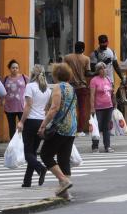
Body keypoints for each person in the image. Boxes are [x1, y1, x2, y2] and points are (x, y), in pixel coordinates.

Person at [38, 63, 77, 200]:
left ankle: (64, 180)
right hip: (72, 127)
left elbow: (54, 108)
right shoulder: (71, 88)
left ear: (55, 75)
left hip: (60, 127)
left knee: (45, 154)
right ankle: (65, 192)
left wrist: (43, 125)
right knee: (63, 158)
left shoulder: (58, 87)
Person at [16, 65, 51, 188]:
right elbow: (47, 108)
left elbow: (28, 106)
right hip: (42, 122)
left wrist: (21, 121)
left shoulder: (30, 86)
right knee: (32, 152)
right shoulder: (47, 89)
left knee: (27, 153)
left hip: (31, 121)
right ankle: (27, 181)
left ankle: (40, 168)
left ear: (32, 74)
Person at [64, 41, 94, 137]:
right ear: (83, 49)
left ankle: (69, 129)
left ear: (74, 48)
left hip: (70, 87)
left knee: (69, 108)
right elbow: (88, 73)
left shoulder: (67, 58)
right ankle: (80, 130)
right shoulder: (86, 59)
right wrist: (96, 73)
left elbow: (64, 70)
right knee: (82, 110)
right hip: (82, 87)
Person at [90, 62, 115, 153]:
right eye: (102, 68)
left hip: (109, 106)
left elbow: (111, 92)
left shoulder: (108, 79)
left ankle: (107, 146)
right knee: (97, 127)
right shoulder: (94, 80)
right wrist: (92, 107)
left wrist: (114, 102)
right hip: (98, 107)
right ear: (98, 70)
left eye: (105, 68)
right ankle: (95, 146)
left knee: (107, 127)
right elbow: (92, 95)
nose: (104, 70)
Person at [3, 59, 29, 139]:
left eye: (17, 68)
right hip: (9, 107)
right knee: (11, 128)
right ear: (9, 69)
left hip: (21, 107)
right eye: (13, 67)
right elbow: (3, 91)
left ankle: (23, 144)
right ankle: (12, 145)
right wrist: (1, 101)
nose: (15, 69)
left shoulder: (24, 77)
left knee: (23, 127)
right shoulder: (6, 79)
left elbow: (31, 89)